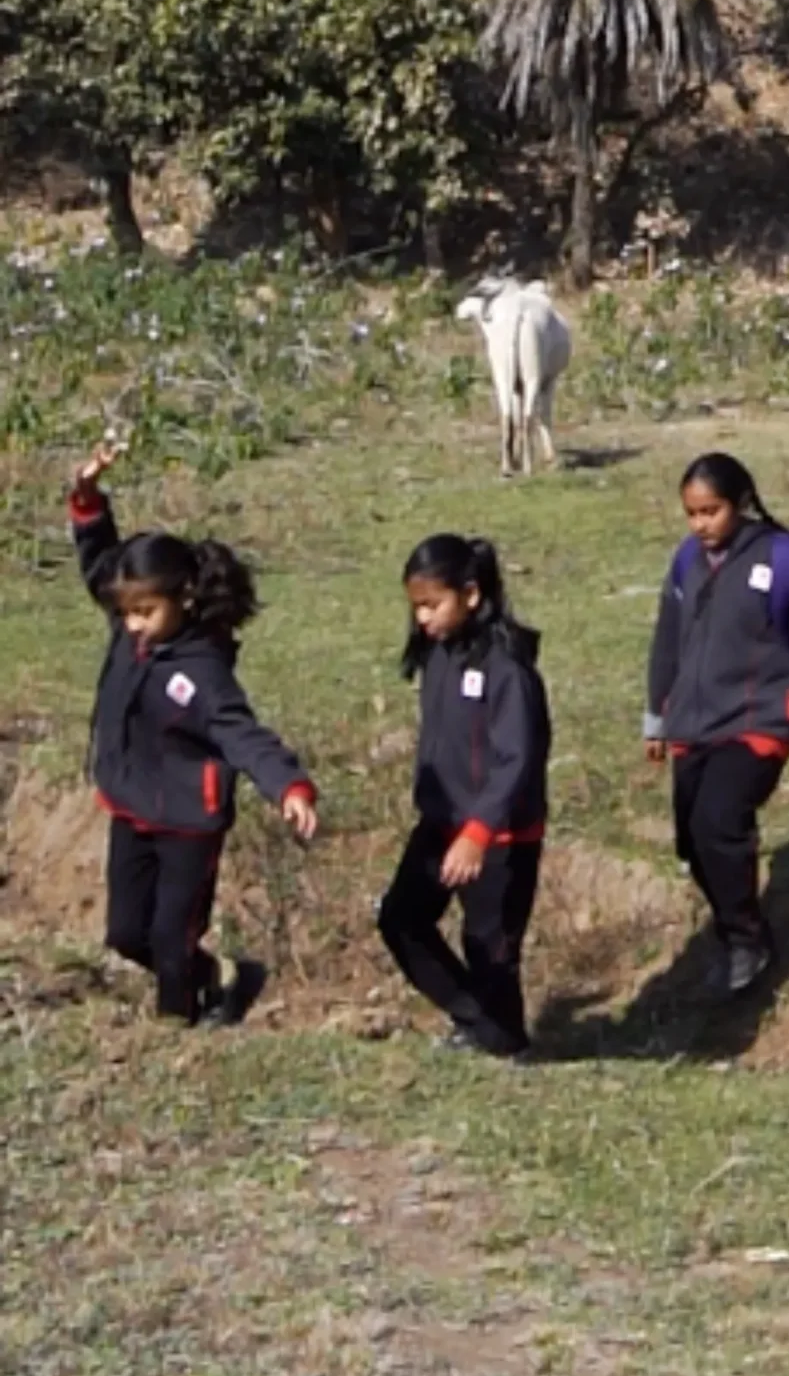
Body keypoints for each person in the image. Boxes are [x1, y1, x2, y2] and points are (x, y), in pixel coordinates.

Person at [65, 439, 319, 1026]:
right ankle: (217, 976)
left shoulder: (202, 670)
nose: (132, 627)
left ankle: (176, 1024)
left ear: (180, 599)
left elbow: (242, 734)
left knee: (172, 938)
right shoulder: (133, 625)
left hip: (188, 818)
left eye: (144, 613)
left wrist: (289, 786)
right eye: (125, 613)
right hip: (132, 804)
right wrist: (86, 496)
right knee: (128, 935)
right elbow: (98, 559)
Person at [643, 455, 789, 997]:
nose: (699, 525)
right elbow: (669, 640)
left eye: (710, 511)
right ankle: (733, 923)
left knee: (720, 820)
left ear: (739, 503)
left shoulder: (785, 558)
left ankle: (748, 939)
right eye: (691, 513)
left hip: (760, 719)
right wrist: (656, 715)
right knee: (692, 839)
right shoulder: (687, 561)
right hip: (693, 721)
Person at [378, 533, 550, 1062]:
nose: (423, 618)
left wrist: (478, 832)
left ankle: (508, 1046)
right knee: (401, 920)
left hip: (498, 835)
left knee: (490, 947)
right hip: (441, 823)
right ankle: (479, 1019)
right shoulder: (439, 655)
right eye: (417, 607)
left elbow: (518, 758)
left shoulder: (507, 669)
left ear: (471, 595)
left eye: (433, 605)